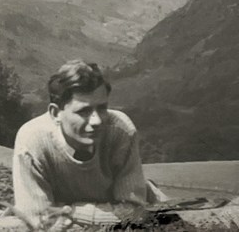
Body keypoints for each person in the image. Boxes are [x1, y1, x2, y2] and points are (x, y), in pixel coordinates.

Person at [12, 60, 166, 229]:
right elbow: (40, 220)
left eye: (101, 108)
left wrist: (70, 211)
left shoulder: (120, 130)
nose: (97, 120)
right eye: (83, 111)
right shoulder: (32, 140)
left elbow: (132, 212)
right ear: (56, 113)